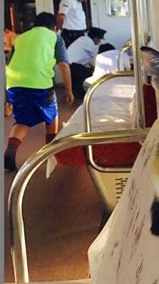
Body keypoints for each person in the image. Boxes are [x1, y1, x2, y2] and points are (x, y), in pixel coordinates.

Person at [4, 12, 74, 171]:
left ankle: (11, 150)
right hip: (39, 84)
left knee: (23, 121)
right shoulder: (55, 37)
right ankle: (50, 152)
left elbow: (10, 64)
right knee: (52, 116)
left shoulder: (20, 38)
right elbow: (63, 65)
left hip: (15, 83)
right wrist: (69, 90)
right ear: (54, 27)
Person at [67, 27, 107, 99]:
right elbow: (97, 58)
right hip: (74, 66)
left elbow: (89, 60)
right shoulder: (89, 44)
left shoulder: (83, 39)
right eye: (100, 39)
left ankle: (77, 93)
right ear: (96, 38)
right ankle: (82, 94)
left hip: (70, 66)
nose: (100, 41)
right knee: (92, 74)